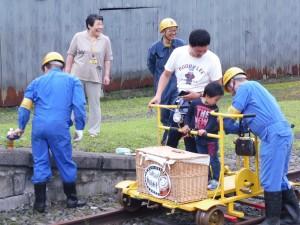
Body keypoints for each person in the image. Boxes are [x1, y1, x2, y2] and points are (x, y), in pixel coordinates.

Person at [8, 52, 87, 213]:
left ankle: (40, 204)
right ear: (62, 67)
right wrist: (79, 127)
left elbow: (24, 108)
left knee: (40, 162)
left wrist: (21, 128)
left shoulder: (36, 82)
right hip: (59, 129)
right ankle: (71, 199)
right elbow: (79, 106)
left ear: (45, 67)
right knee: (65, 161)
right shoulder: (73, 81)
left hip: (39, 129)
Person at [223, 67, 300, 225]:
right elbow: (246, 123)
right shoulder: (257, 88)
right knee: (279, 177)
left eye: (230, 91)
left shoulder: (244, 88)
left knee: (269, 179)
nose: (232, 94)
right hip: (282, 133)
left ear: (233, 82)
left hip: (273, 137)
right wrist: (235, 127)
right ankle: (292, 218)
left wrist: (222, 121)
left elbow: (232, 112)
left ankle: (272, 221)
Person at [149, 29, 222, 152]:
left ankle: (194, 168)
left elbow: (218, 87)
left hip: (201, 104)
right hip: (180, 102)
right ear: (190, 45)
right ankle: (168, 166)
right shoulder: (178, 53)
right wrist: (158, 95)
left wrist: (199, 95)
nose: (202, 53)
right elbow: (166, 75)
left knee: (192, 142)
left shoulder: (213, 59)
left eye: (204, 50)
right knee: (171, 137)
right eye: (198, 51)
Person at [65, 14, 113, 137]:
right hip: (77, 75)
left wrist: (107, 75)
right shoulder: (78, 37)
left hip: (95, 76)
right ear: (89, 25)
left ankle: (94, 131)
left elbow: (108, 59)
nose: (101, 27)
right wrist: (67, 72)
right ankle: (74, 127)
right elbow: (70, 54)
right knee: (76, 102)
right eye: (98, 24)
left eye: (102, 24)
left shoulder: (105, 40)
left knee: (95, 104)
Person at [147, 18, 185, 144]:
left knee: (175, 109)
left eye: (175, 30)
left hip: (177, 84)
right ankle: (167, 131)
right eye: (170, 31)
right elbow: (151, 65)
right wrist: (159, 76)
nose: (173, 33)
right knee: (163, 112)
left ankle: (169, 135)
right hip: (162, 85)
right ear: (163, 32)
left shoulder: (181, 45)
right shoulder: (154, 48)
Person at [181, 82, 224, 190]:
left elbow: (212, 122)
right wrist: (186, 125)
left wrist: (205, 130)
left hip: (211, 139)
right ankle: (206, 179)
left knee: (213, 159)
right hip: (199, 138)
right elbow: (189, 115)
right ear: (207, 96)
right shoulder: (195, 103)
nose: (216, 102)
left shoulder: (215, 108)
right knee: (203, 159)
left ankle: (216, 180)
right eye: (216, 99)